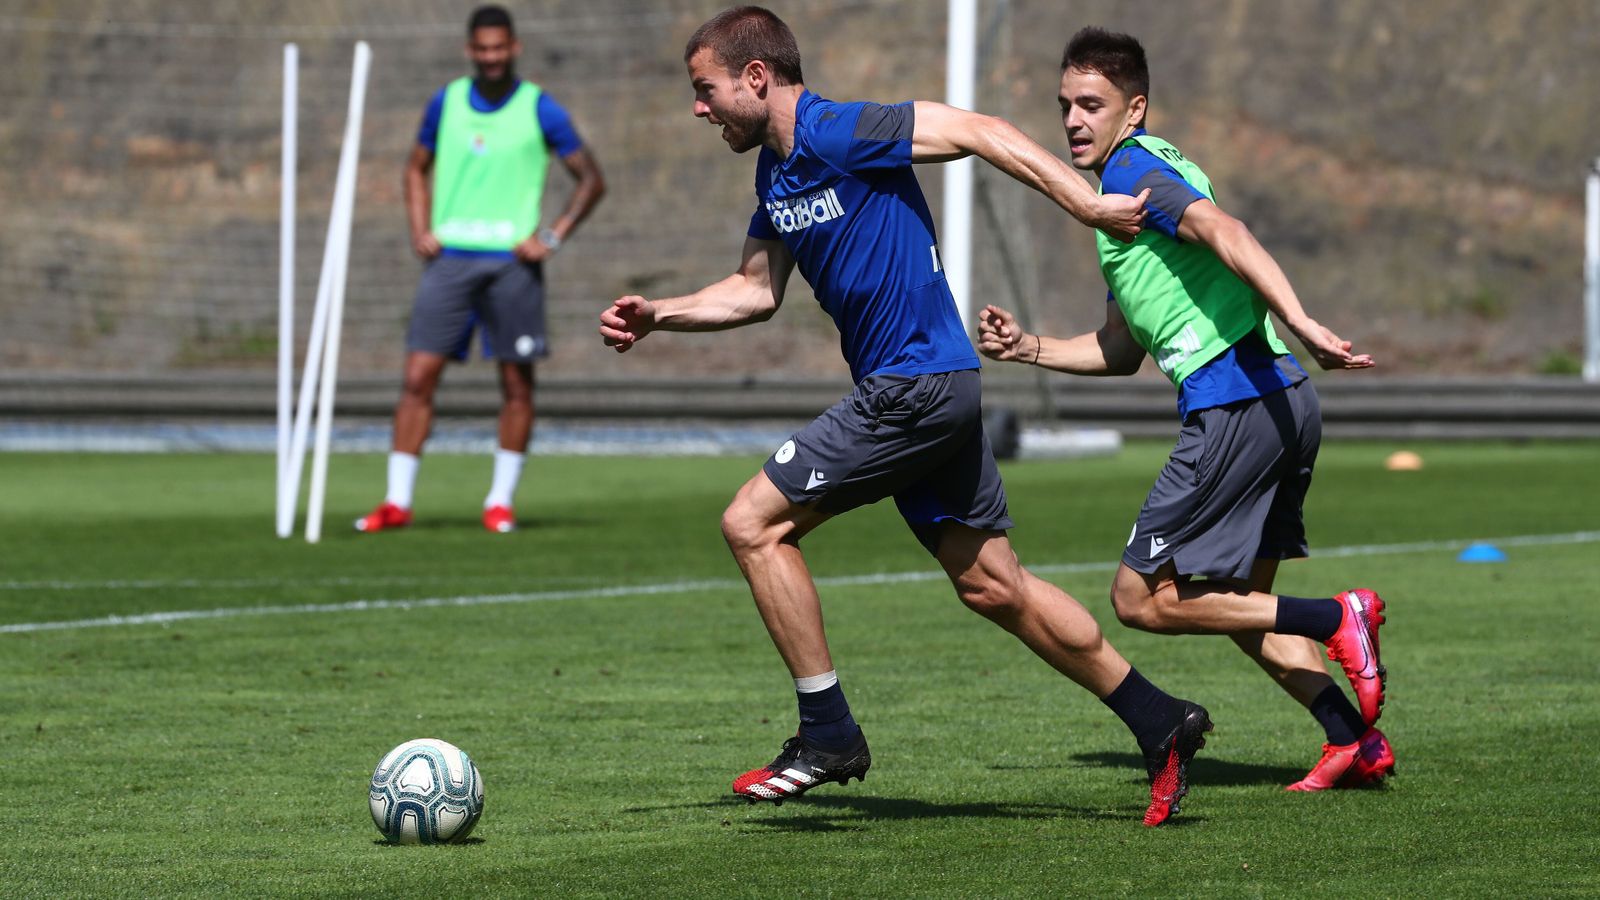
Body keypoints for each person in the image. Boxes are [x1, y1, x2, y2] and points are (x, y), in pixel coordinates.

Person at [600, 6, 1211, 827]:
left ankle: (828, 734)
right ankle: (1159, 719)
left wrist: (1088, 205)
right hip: (933, 391)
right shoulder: (773, 176)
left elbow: (981, 130)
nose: (698, 108)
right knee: (994, 586)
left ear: (755, 78)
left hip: (911, 388)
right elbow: (753, 290)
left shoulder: (842, 131)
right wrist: (661, 313)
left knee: (752, 525)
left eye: (705, 90)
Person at [977, 27, 1393, 792]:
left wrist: (1301, 317)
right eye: (1065, 104)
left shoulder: (1136, 171)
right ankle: (1352, 740)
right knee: (1240, 609)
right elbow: (1119, 348)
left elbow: (1226, 231)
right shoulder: (1121, 198)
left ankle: (1339, 618)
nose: (1073, 120)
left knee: (1139, 599)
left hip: (1234, 402)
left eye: (1092, 105)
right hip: (1281, 400)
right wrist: (1027, 349)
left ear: (1132, 111)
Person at [357, 4, 606, 535]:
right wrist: (420, 227)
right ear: (471, 50)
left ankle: (499, 502)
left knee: (516, 384)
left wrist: (551, 236)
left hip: (512, 266)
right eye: (482, 49)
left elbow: (590, 179)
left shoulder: (540, 108)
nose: (491, 57)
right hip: (450, 261)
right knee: (417, 377)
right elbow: (414, 168)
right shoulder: (444, 103)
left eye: (500, 48)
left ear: (513, 47)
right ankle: (397, 501)